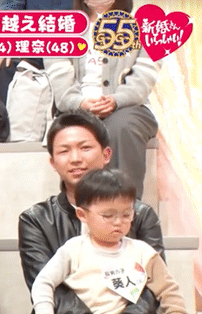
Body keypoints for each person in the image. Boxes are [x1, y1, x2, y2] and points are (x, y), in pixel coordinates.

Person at [17, 111, 180, 314]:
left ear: (106, 154)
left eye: (85, 147)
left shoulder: (140, 214)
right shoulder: (35, 219)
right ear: (52, 162)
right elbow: (49, 287)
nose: (75, 158)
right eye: (64, 151)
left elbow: (153, 286)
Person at [45, 0, 158, 198]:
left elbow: (144, 78)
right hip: (75, 108)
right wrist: (80, 103)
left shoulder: (143, 27)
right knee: (74, 132)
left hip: (128, 107)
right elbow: (60, 83)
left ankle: (124, 207)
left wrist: (116, 100)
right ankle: (82, 208)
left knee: (121, 126)